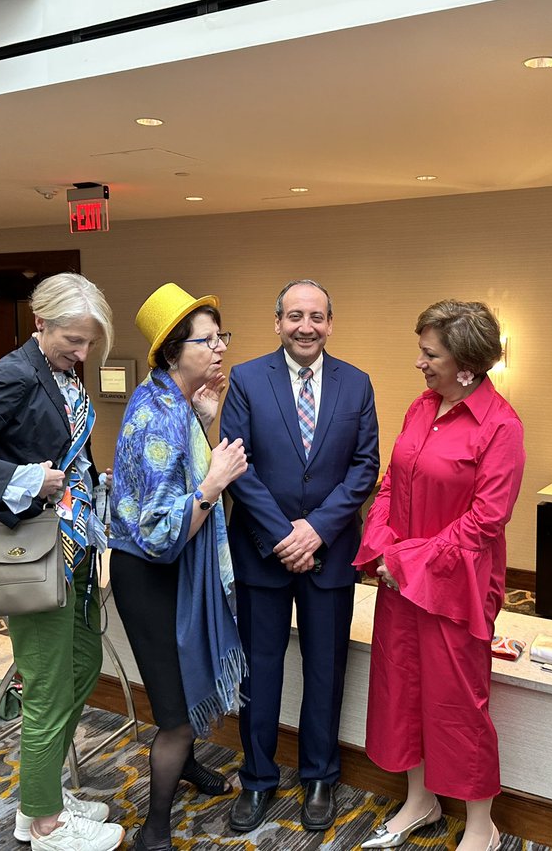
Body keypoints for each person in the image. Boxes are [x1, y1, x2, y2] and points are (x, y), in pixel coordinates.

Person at [0, 273, 124, 851]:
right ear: (40, 322)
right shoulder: (15, 374)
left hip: (76, 542)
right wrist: (23, 477)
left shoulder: (61, 371)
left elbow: (65, 448)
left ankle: (47, 793)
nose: (83, 353)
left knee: (83, 665)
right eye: (74, 340)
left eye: (91, 343)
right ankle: (41, 820)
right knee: (44, 683)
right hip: (34, 550)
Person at [355, 300, 524, 851]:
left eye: (430, 354)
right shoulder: (419, 408)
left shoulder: (501, 426)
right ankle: (420, 801)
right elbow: (389, 483)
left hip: (457, 586)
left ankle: (482, 827)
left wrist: (407, 560)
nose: (420, 363)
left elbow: (486, 521)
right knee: (401, 689)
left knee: (458, 704)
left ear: (467, 366)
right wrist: (382, 545)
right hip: (401, 581)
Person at [221, 279, 380, 833]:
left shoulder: (356, 384)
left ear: (331, 323)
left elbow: (365, 467)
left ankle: (319, 777)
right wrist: (284, 536)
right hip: (263, 553)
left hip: (331, 553)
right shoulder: (245, 379)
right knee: (259, 674)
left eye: (315, 317)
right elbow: (238, 464)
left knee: (325, 670)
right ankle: (259, 780)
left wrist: (315, 530)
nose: (305, 326)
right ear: (277, 322)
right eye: (294, 316)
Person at [109, 283, 249, 851]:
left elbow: (180, 487)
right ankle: (155, 829)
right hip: (151, 575)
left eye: (222, 338)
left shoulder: (177, 404)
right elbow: (164, 534)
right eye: (206, 341)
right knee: (173, 712)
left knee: (189, 680)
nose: (218, 350)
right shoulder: (160, 419)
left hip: (169, 570)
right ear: (173, 352)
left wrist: (205, 419)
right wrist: (215, 484)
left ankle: (188, 769)